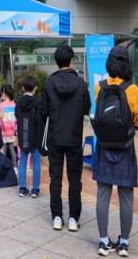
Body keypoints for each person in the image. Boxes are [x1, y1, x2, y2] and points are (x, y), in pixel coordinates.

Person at [93, 45, 138, 257]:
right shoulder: (133, 90)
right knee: (126, 197)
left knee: (103, 195)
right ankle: (124, 243)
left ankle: (104, 241)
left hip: (104, 146)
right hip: (125, 148)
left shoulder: (99, 87)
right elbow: (137, 121)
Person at [40, 45, 91, 233]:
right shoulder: (81, 84)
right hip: (74, 137)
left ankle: (57, 217)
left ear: (56, 61)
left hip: (54, 137)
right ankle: (73, 219)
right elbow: (86, 108)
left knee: (55, 178)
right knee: (74, 179)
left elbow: (43, 110)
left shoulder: (49, 83)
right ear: (71, 60)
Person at [15, 75, 42, 198]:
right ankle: (35, 189)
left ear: (23, 88)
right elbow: (39, 120)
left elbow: (17, 116)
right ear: (35, 88)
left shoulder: (18, 102)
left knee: (22, 161)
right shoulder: (37, 102)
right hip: (35, 136)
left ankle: (22, 188)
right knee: (36, 162)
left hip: (23, 134)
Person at [0, 85, 17, 168]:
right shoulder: (14, 104)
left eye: (2, 92)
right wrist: (15, 130)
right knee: (12, 150)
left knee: (3, 151)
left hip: (3, 132)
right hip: (12, 132)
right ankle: (15, 167)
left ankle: (2, 167)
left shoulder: (1, 105)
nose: (1, 94)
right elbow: (16, 119)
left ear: (5, 93)